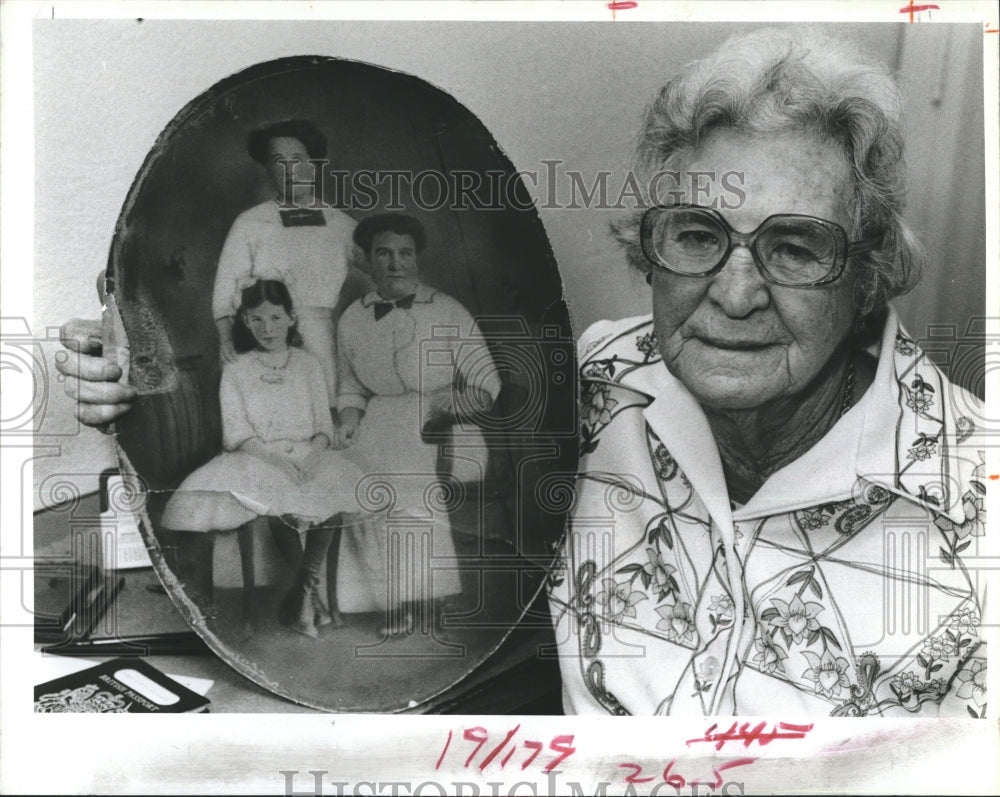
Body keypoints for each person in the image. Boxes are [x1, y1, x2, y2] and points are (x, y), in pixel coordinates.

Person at [546, 28, 986, 716]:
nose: (735, 294)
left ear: (866, 279)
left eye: (795, 248)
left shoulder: (977, 498)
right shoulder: (595, 387)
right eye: (699, 236)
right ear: (651, 252)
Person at [160, 278, 367, 639]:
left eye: (274, 318)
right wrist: (279, 462)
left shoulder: (308, 364)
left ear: (291, 318)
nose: (267, 328)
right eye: (256, 319)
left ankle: (303, 592)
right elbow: (237, 432)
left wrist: (313, 457)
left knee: (333, 493)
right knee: (276, 497)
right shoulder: (237, 369)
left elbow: (323, 426)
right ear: (244, 320)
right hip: (257, 456)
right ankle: (308, 600)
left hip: (308, 451)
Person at [334, 213, 502, 636]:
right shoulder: (352, 318)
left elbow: (487, 384)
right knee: (349, 479)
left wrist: (449, 405)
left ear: (417, 258)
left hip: (442, 422)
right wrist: (349, 421)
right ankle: (387, 600)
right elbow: (350, 388)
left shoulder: (446, 309)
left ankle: (430, 594)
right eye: (383, 254)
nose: (396, 264)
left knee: (403, 478)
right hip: (379, 418)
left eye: (405, 253)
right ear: (367, 259)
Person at [212, 119, 364, 406]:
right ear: (269, 170)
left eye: (298, 159)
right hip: (265, 340)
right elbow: (225, 290)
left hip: (321, 341)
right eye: (278, 162)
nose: (289, 170)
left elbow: (383, 269)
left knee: (322, 412)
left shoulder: (340, 224)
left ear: (315, 164)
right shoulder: (250, 223)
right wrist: (227, 341)